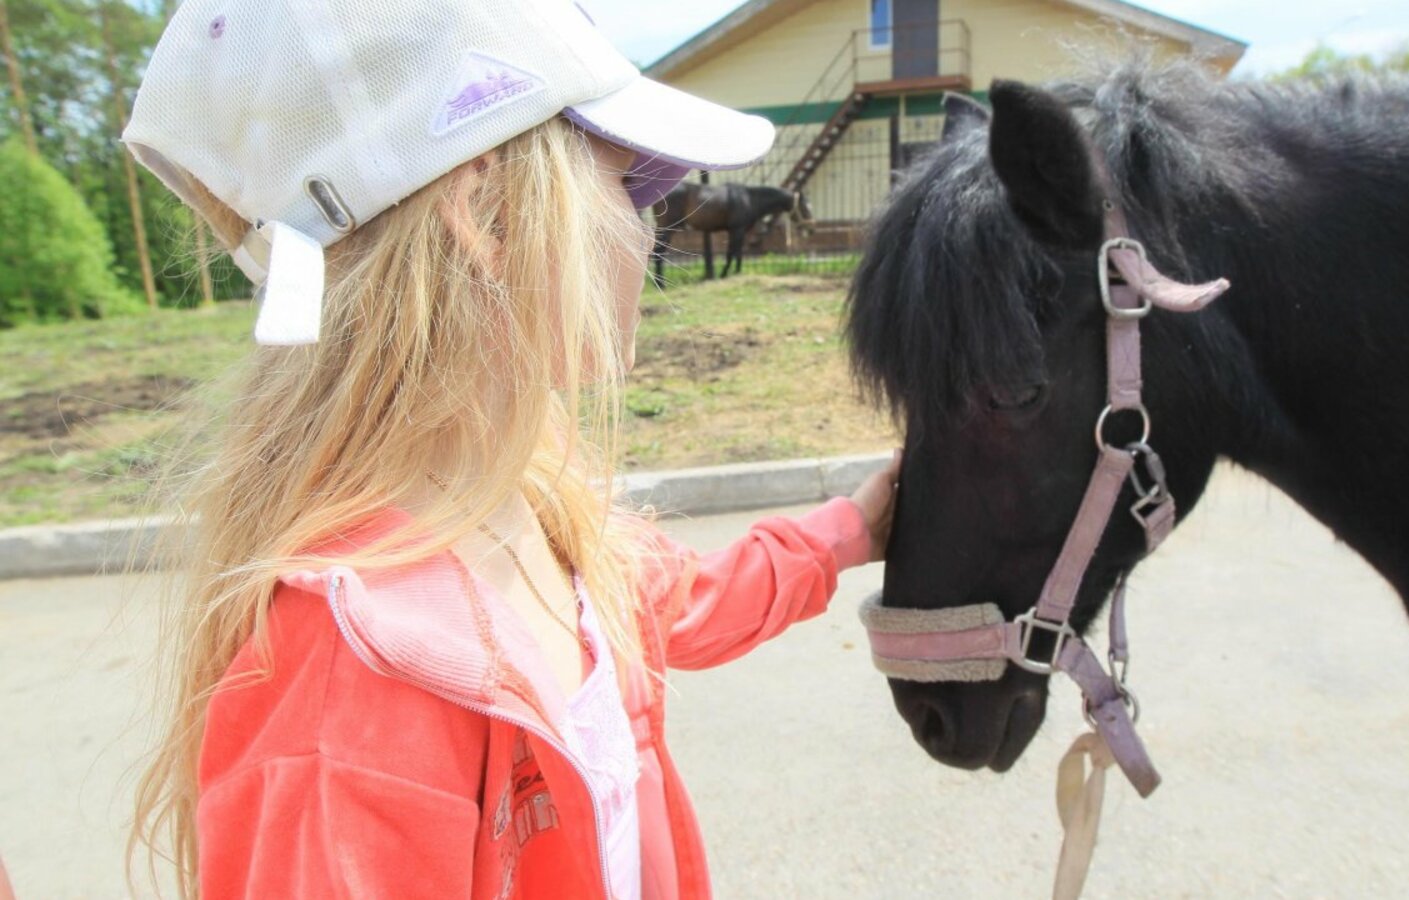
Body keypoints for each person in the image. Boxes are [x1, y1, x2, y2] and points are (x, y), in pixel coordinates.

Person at [122, 2, 900, 897]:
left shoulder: (527, 495)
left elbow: (676, 604)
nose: (652, 230)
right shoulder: (354, 685)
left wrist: (853, 530)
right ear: (484, 213)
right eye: (632, 187)